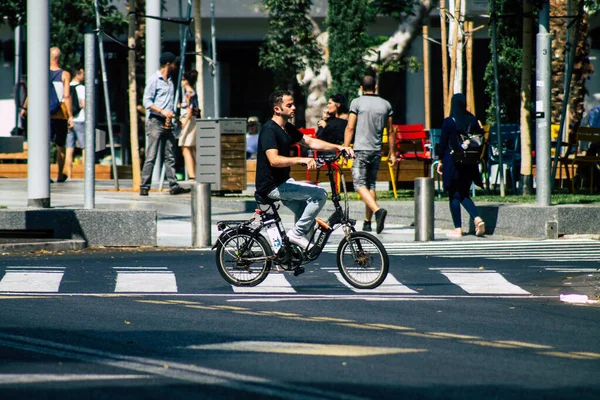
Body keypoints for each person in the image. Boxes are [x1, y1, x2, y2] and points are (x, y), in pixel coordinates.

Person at [256, 90, 354, 249]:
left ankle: (288, 253)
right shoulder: (269, 130)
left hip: (282, 182)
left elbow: (309, 142)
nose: (294, 107)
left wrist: (339, 147)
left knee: (304, 212)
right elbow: (274, 160)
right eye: (289, 105)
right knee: (320, 194)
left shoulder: (286, 127)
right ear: (277, 109)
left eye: (293, 104)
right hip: (272, 186)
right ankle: (295, 235)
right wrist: (302, 159)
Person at [343, 76, 396, 234]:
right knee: (370, 185)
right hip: (376, 150)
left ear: (361, 87)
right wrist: (392, 153)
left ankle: (378, 211)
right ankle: (367, 222)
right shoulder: (386, 104)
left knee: (359, 184)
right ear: (376, 86)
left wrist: (346, 147)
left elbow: (350, 127)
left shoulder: (357, 102)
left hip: (360, 149)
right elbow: (391, 131)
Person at [19, 48, 74, 183]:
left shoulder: (40, 73)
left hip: (43, 114)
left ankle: (45, 174)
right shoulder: (64, 75)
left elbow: (31, 92)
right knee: (60, 145)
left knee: (45, 144)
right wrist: (70, 115)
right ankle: (60, 174)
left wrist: (24, 108)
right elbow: (66, 96)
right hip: (60, 113)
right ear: (58, 58)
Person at [140, 52, 190, 196]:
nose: (176, 66)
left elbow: (171, 104)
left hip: (168, 122)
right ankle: (144, 186)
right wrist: (162, 111)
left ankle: (173, 185)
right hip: (156, 121)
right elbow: (147, 101)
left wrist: (176, 116)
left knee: (170, 155)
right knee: (151, 155)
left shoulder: (171, 82)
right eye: (174, 63)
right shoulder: (154, 80)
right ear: (168, 64)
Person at [436, 93, 486, 238]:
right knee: (463, 193)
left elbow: (443, 143)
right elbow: (480, 137)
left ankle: (458, 228)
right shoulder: (472, 120)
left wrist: (440, 161)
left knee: (454, 195)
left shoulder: (449, 122)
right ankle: (477, 218)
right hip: (470, 163)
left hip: (453, 162)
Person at [178, 69, 199, 181]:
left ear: (186, 81)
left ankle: (192, 175)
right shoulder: (189, 93)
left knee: (186, 147)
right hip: (190, 120)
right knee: (191, 147)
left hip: (188, 121)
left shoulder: (190, 93)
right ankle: (194, 174)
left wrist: (184, 124)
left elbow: (190, 110)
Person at [65, 67, 85, 179]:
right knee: (85, 147)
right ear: (78, 74)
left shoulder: (67, 87)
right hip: (80, 120)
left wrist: (69, 117)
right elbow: (84, 104)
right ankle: (87, 174)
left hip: (69, 120)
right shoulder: (81, 88)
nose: (84, 76)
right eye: (82, 73)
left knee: (69, 148)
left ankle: (69, 175)